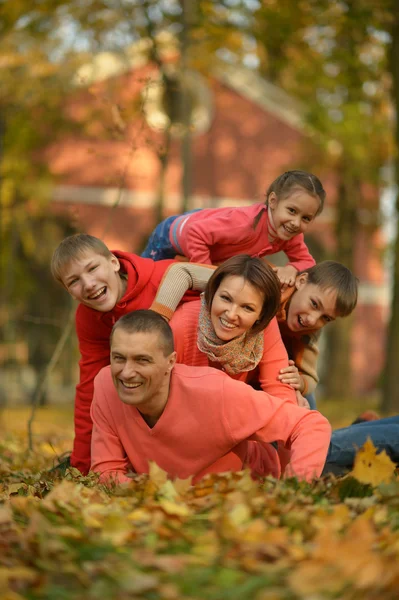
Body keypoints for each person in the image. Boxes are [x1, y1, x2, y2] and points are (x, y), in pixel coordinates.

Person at [90, 310, 332, 484]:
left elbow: (311, 424)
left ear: (171, 362)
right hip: (179, 506)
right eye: (119, 358)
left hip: (248, 495)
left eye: (142, 360)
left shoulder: (216, 393)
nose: (127, 372)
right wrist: (152, 494)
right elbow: (106, 471)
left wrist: (293, 491)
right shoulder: (105, 385)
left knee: (340, 460)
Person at [51, 233, 216, 474]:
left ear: (114, 263)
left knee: (176, 326)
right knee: (109, 378)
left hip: (217, 375)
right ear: (70, 292)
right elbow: (90, 387)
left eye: (92, 268)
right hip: (162, 395)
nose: (88, 284)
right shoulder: (89, 317)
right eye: (74, 281)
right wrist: (81, 465)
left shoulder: (164, 277)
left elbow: (239, 285)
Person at [151, 259, 359, 406]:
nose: (313, 319)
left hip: (263, 372)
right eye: (314, 304)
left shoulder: (310, 332)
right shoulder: (266, 282)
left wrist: (301, 382)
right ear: (301, 281)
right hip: (227, 362)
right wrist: (157, 319)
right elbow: (190, 273)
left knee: (303, 401)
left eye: (326, 318)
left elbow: (311, 377)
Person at [141, 170, 326, 289]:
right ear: (273, 201)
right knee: (144, 278)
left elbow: (307, 261)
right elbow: (195, 233)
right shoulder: (244, 224)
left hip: (209, 228)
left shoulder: (291, 235)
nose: (296, 222)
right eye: (292, 211)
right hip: (173, 233)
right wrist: (208, 273)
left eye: (306, 218)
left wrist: (292, 269)